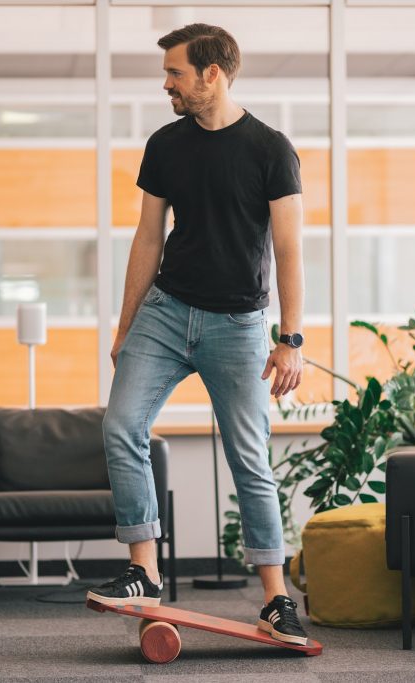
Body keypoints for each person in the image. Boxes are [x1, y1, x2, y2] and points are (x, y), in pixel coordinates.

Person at [85, 23, 308, 646]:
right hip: (165, 309)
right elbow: (148, 238)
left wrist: (290, 338)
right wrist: (127, 325)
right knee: (120, 424)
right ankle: (144, 571)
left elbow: (288, 248)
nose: (167, 84)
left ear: (213, 74)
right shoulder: (165, 145)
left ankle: (274, 600)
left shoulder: (271, 150)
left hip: (238, 323)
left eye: (176, 73)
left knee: (250, 458)